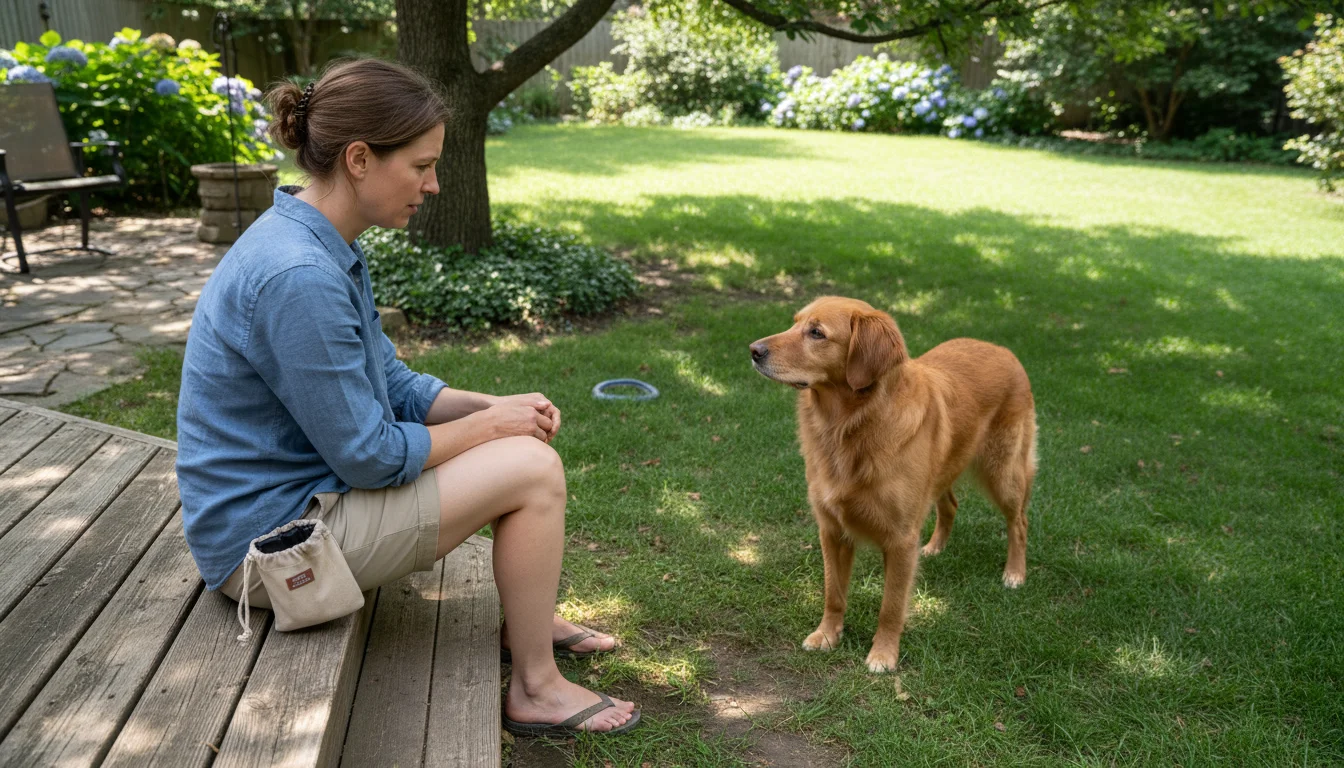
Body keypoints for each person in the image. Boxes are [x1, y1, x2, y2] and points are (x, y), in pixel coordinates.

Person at [175, 58, 637, 736]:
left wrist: (490, 408)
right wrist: (493, 430)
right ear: (360, 158)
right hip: (269, 553)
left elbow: (390, 384)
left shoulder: (321, 241)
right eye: (420, 165)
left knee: (513, 443)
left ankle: (530, 623)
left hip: (299, 504)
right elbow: (368, 454)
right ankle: (537, 689)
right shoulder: (298, 275)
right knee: (533, 472)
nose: (434, 183)